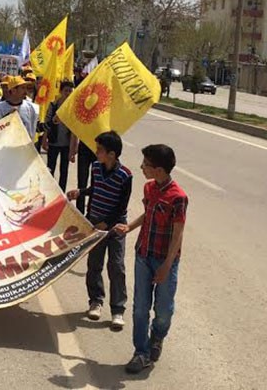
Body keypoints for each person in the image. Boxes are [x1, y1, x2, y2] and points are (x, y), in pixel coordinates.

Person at [113, 144, 187, 374]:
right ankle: (141, 352)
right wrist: (129, 227)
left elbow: (178, 233)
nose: (142, 167)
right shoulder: (148, 188)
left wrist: (166, 266)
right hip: (143, 255)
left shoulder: (178, 198)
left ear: (159, 169)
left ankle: (157, 335)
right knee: (140, 308)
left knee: (163, 310)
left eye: (146, 164)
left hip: (165, 260)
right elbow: (148, 214)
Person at [67, 131, 132, 330]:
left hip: (115, 227)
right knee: (94, 264)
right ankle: (95, 301)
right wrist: (81, 192)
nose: (96, 153)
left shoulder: (125, 175)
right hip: (95, 222)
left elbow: (122, 206)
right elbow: (95, 190)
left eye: (99, 150)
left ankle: (117, 310)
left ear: (111, 154)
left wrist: (107, 223)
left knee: (116, 266)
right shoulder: (96, 168)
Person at [43, 80, 75, 191]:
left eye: (70, 91)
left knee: (64, 170)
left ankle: (61, 192)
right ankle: (49, 191)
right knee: (50, 168)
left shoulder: (73, 109)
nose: (68, 93)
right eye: (66, 91)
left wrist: (73, 149)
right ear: (61, 91)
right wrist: (44, 140)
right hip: (53, 142)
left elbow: (75, 130)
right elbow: (46, 124)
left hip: (66, 144)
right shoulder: (53, 105)